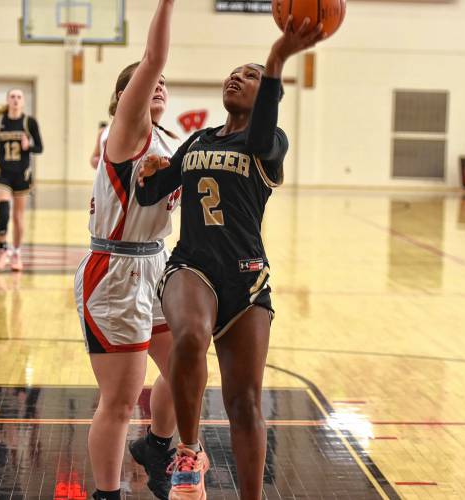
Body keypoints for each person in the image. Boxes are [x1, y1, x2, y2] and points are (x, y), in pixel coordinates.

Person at [136, 17, 324, 500]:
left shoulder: (269, 143)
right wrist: (147, 171)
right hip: (191, 265)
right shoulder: (197, 141)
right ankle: (188, 451)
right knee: (192, 333)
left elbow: (262, 133)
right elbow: (153, 190)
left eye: (250, 74)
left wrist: (278, 58)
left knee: (244, 405)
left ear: (265, 94)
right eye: (234, 71)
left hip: (247, 277)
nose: (235, 76)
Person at [73, 1, 179, 499]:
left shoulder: (171, 142)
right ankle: (107, 494)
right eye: (140, 81)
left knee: (186, 368)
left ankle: (156, 445)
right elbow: (154, 57)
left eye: (160, 82)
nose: (155, 82)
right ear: (123, 100)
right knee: (118, 399)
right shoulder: (124, 134)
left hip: (155, 260)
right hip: (114, 267)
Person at [0, 89, 43, 272]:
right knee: (3, 212)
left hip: (22, 175)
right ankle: (2, 252)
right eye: (12, 97)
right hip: (3, 173)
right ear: (8, 100)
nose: (15, 100)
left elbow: (39, 147)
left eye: (19, 97)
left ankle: (16, 253)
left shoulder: (29, 122)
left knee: (17, 217)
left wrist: (29, 146)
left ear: (23, 102)